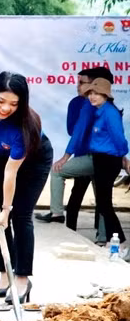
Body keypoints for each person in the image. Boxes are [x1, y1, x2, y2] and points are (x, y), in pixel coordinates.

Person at [0, 72, 53, 303]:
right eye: (1, 101)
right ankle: (4, 274)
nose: (6, 108)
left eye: (14, 104)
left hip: (34, 159)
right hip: (2, 153)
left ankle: (22, 279)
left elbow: (11, 172)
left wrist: (7, 208)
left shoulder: (24, 128)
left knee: (19, 215)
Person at [37, 67, 109, 244]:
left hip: (98, 158)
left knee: (102, 199)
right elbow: (75, 132)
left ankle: (60, 216)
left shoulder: (99, 106)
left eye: (82, 83)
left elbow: (113, 136)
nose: (78, 86)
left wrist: (65, 157)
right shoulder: (84, 104)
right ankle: (77, 230)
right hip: (87, 156)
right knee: (82, 196)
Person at [57, 77, 128, 253]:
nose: (92, 96)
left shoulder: (109, 112)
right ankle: (114, 241)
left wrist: (123, 158)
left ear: (106, 95)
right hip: (99, 158)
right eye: (90, 93)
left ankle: (120, 242)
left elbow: (119, 139)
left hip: (108, 160)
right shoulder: (98, 111)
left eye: (97, 93)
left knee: (104, 203)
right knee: (104, 203)